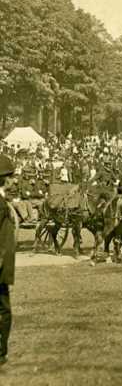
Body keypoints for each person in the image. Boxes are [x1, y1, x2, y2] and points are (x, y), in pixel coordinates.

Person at [0, 154, 16, 366]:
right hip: (0, 267)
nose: (13, 181)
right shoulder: (1, 205)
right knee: (4, 310)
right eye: (10, 177)